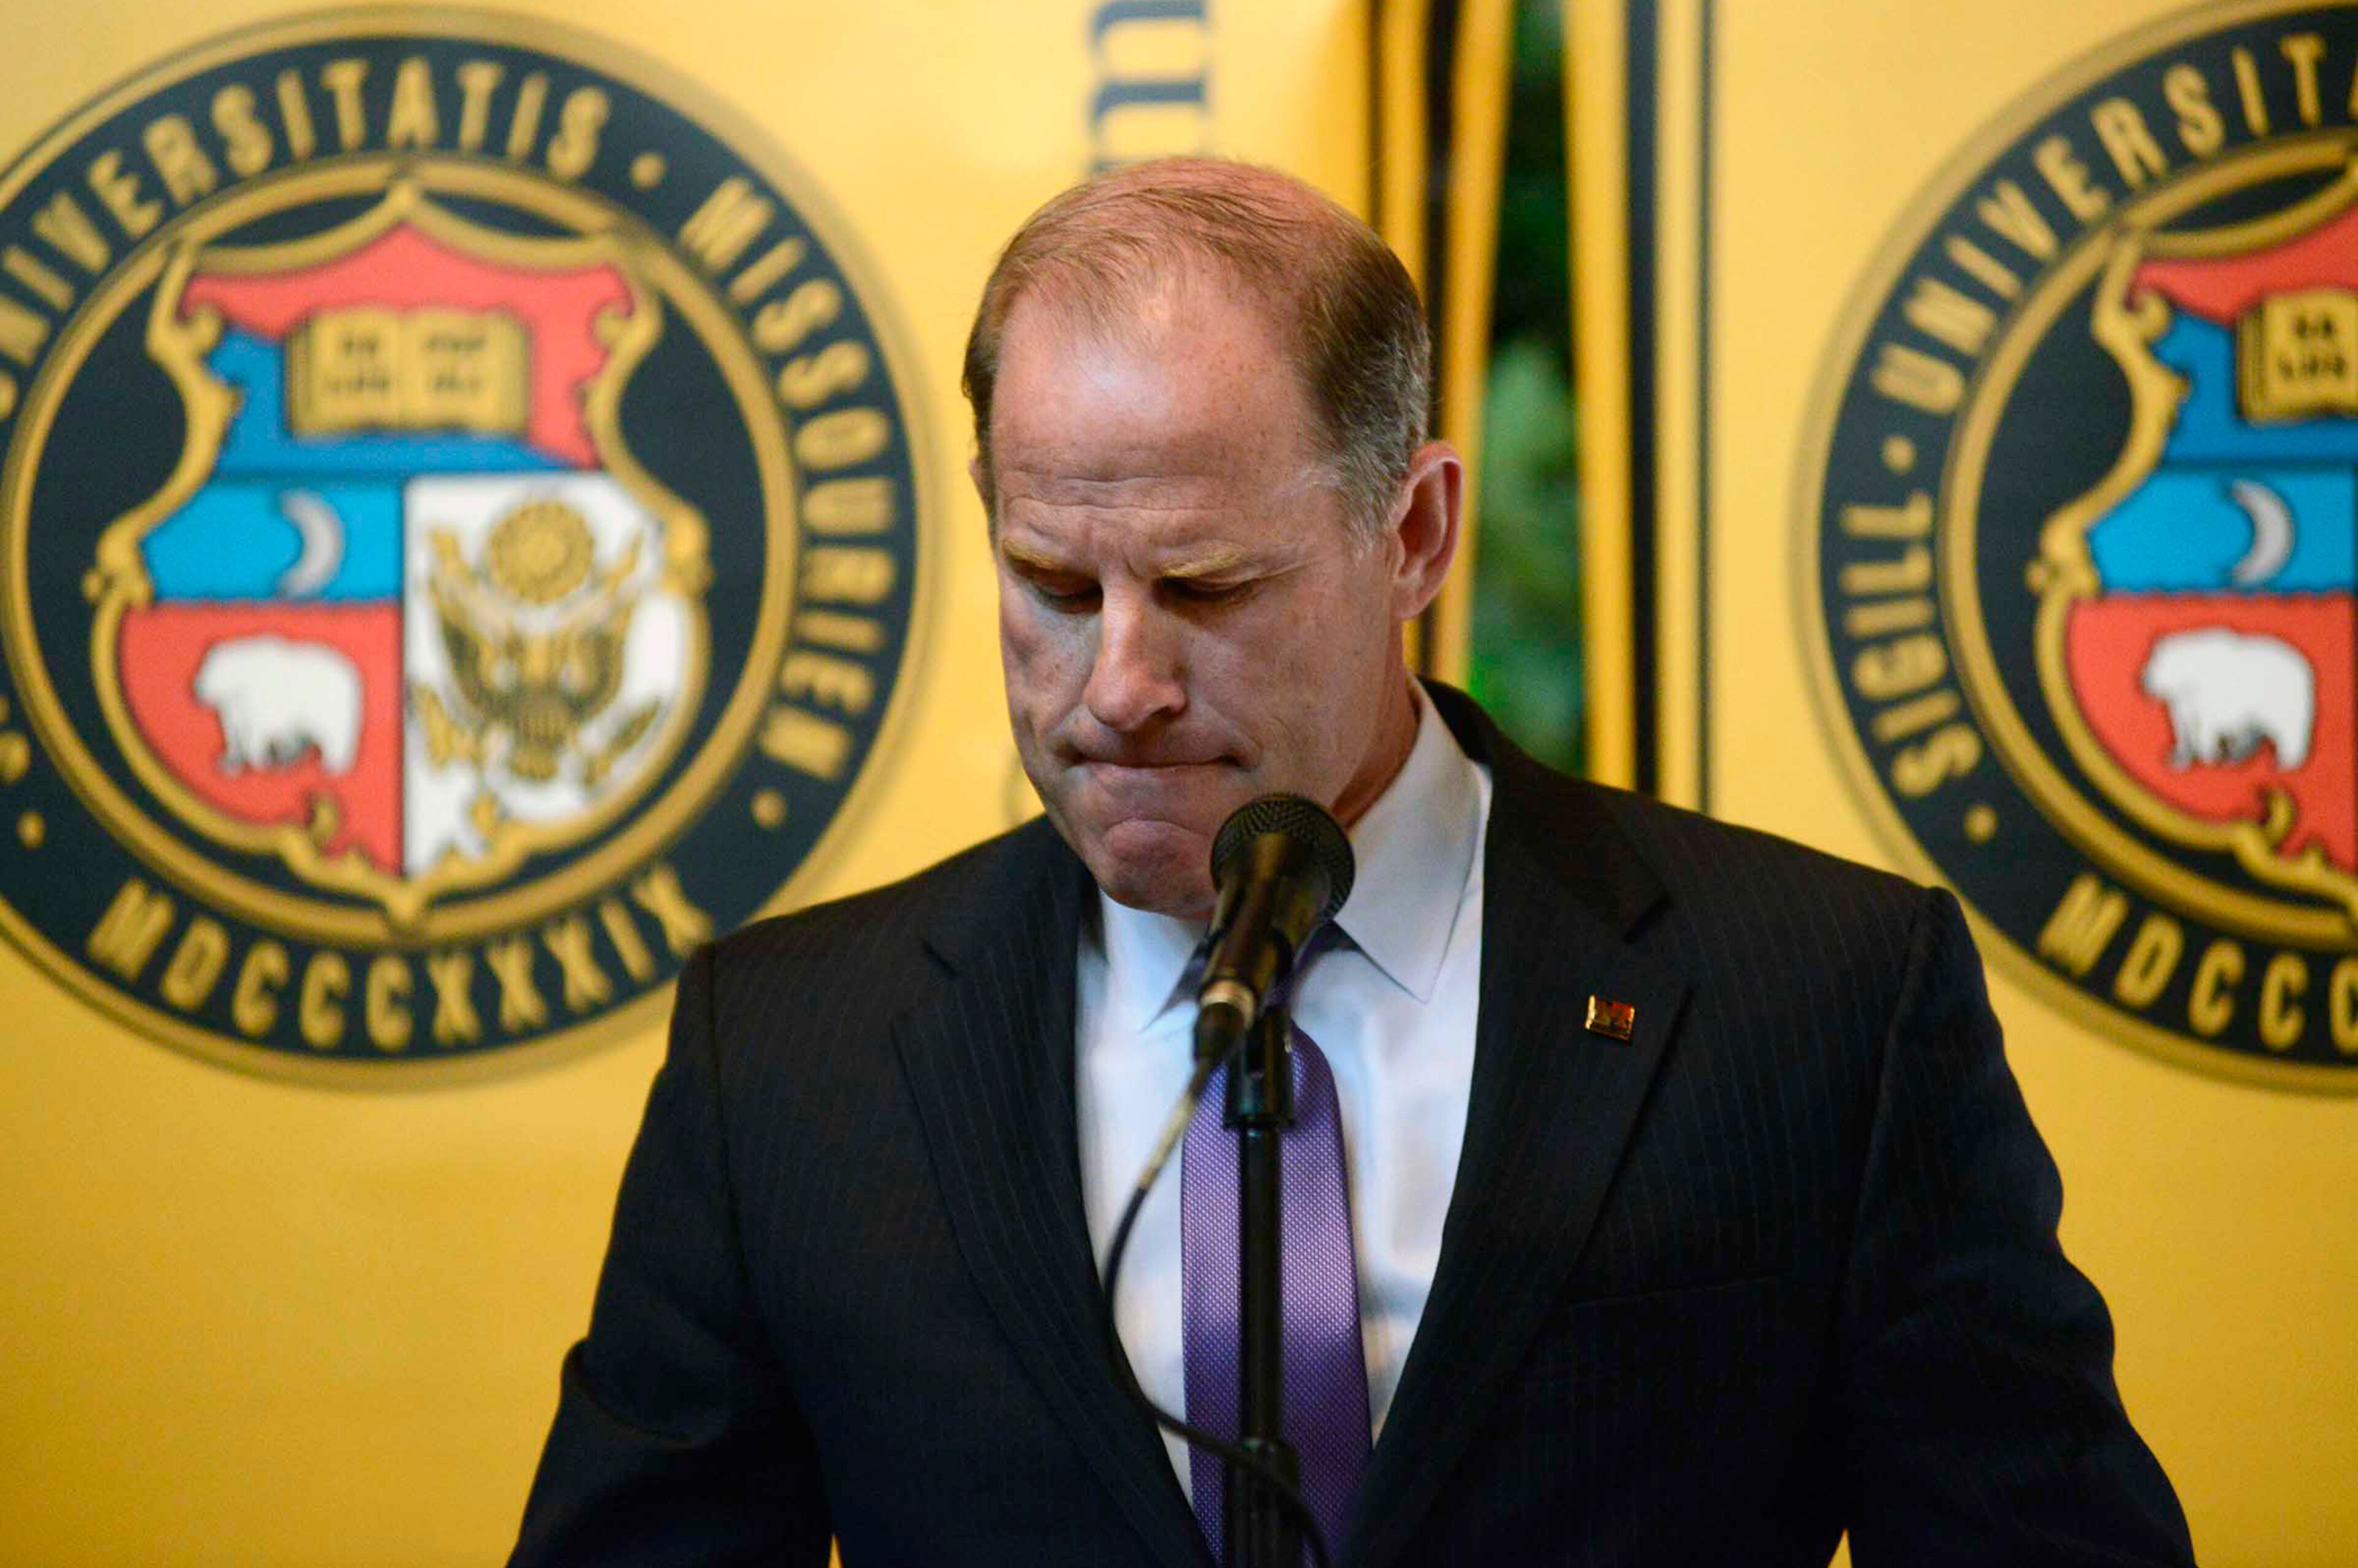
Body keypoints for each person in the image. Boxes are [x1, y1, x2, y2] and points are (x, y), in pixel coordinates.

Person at [509, 158, 2195, 1567]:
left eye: (1209, 587)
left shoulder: (1819, 1001)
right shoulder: (784, 1055)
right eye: (1054, 584)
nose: (1119, 682)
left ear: (1417, 534)